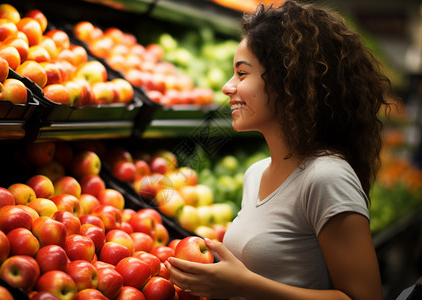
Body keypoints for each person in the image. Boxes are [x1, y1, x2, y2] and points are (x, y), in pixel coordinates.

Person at [165, 1, 396, 299]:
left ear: (287, 81)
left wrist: (242, 284)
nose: (227, 87)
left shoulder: (326, 177)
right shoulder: (256, 173)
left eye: (242, 74)